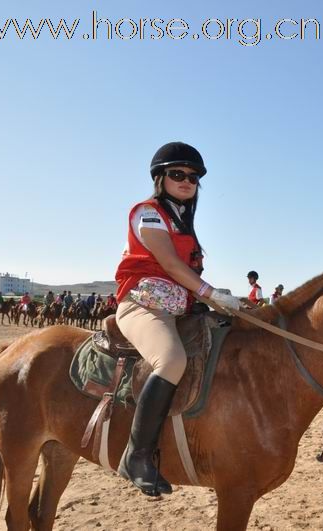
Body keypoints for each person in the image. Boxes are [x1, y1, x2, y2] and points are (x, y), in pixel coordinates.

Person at [114, 141, 240, 497]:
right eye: (177, 174)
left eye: (193, 176)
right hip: (143, 304)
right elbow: (169, 264)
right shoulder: (148, 212)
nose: (187, 180)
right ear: (160, 177)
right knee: (171, 360)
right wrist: (212, 294)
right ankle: (136, 456)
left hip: (181, 305)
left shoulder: (184, 221)